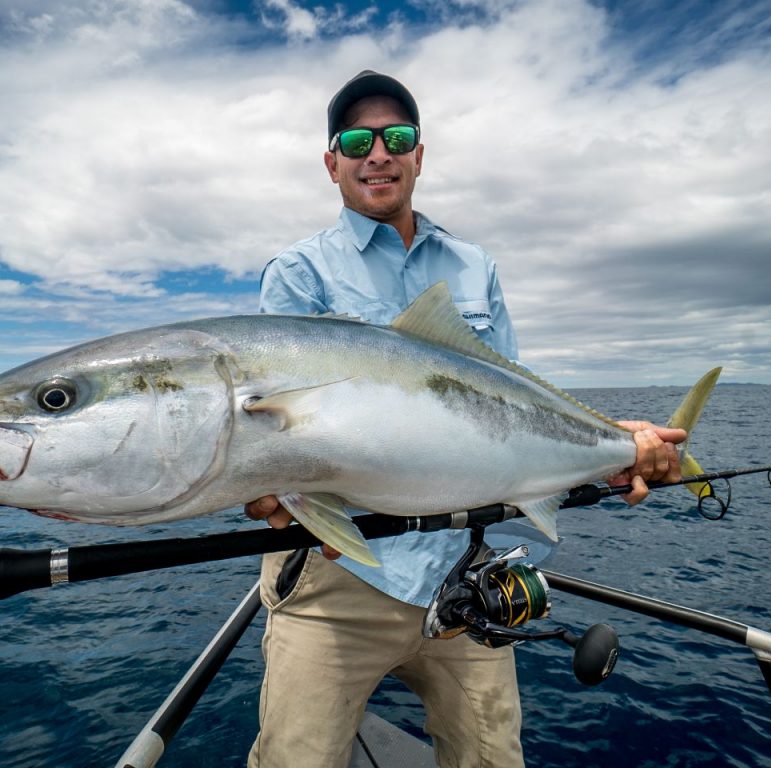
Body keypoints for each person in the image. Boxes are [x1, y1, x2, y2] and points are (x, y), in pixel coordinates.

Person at [245, 70, 685, 768]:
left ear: (421, 154)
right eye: (357, 139)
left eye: (397, 137)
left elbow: (513, 403)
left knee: (491, 760)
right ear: (332, 162)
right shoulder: (300, 273)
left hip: (466, 575)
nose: (378, 153)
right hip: (341, 580)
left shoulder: (473, 266)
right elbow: (277, 427)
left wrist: (619, 442)